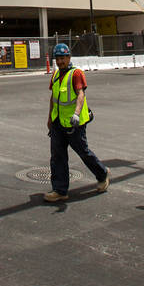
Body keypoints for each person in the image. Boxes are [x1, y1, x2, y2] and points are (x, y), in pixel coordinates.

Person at [44, 42, 110, 202]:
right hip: (58, 123)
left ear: (69, 57)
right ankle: (60, 190)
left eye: (62, 58)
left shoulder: (76, 74)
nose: (60, 62)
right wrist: (49, 119)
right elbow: (53, 98)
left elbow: (81, 95)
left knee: (83, 152)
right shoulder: (55, 75)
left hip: (74, 124)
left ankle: (102, 173)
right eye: (57, 59)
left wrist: (76, 114)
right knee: (57, 156)